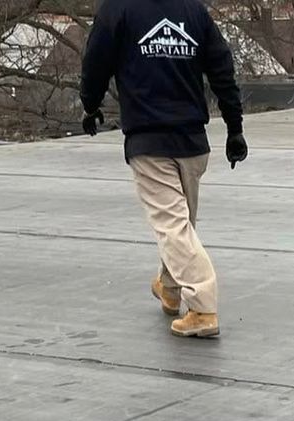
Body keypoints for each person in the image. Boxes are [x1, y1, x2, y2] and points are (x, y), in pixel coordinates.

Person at [80, 0, 247, 339]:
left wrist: (90, 104)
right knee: (181, 225)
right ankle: (170, 289)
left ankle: (202, 306)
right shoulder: (193, 11)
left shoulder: (119, 9)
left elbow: (96, 61)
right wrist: (235, 128)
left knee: (173, 227)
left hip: (150, 141)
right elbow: (222, 69)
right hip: (192, 143)